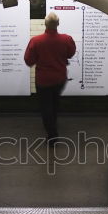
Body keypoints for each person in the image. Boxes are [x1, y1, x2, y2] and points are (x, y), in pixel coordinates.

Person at [24, 12, 76, 144]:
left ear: (45, 24)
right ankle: (52, 122)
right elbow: (70, 53)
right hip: (60, 78)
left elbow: (29, 60)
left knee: (45, 105)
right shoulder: (67, 39)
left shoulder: (36, 41)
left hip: (43, 80)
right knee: (55, 101)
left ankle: (52, 134)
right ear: (57, 24)